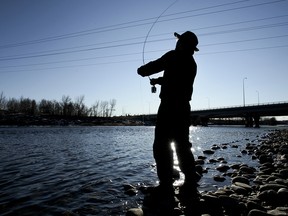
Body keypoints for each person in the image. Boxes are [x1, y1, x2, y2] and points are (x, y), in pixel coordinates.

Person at [137, 31, 200, 209]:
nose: (176, 43)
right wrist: (158, 81)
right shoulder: (191, 63)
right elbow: (174, 78)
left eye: (179, 41)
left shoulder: (173, 56)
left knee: (161, 145)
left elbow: (154, 66)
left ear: (182, 43)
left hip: (169, 107)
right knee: (182, 144)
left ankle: (165, 186)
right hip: (183, 109)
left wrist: (142, 71)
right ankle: (190, 182)